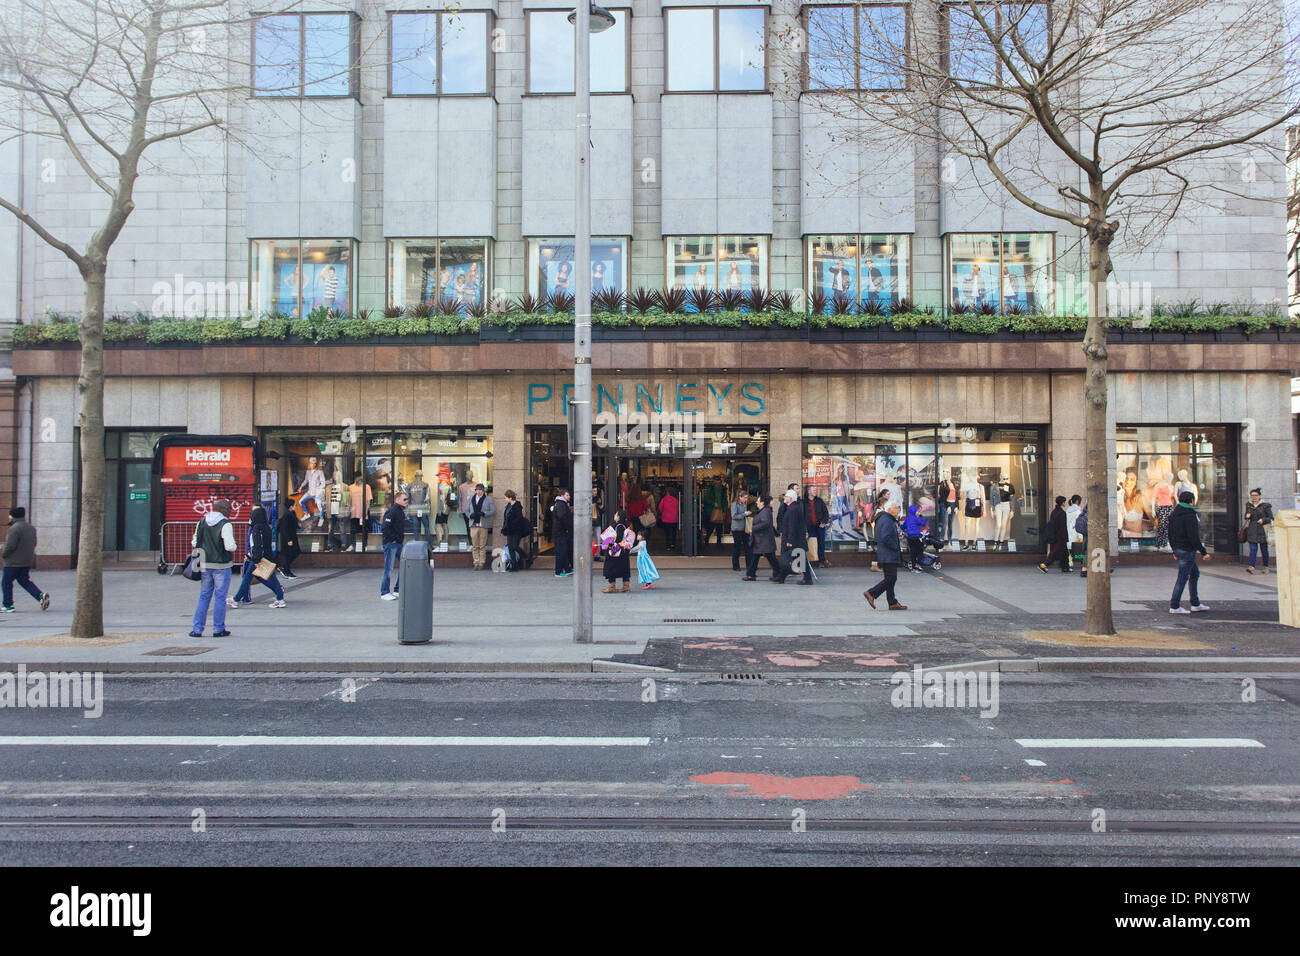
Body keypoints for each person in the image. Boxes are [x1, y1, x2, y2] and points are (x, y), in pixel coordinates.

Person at [189, 499, 236, 638]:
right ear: (221, 509)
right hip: (222, 565)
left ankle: (197, 629)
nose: (230, 511)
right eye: (228, 508)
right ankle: (218, 628)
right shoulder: (225, 524)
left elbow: (194, 541)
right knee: (220, 597)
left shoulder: (202, 521)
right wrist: (235, 546)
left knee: (204, 596)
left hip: (204, 564)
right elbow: (230, 546)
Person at [229, 506, 286, 608]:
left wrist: (254, 559)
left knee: (247, 579)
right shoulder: (266, 527)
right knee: (271, 578)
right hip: (265, 558)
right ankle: (280, 598)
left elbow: (257, 545)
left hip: (258, 559)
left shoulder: (256, 528)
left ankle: (236, 599)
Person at [1168, 490, 1211, 614]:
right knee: (1182, 578)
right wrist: (1203, 552)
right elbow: (1193, 536)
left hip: (1178, 548)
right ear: (1191, 501)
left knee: (1194, 574)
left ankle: (1195, 603)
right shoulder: (1190, 515)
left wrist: (1174, 549)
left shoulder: (1174, 514)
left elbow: (1170, 534)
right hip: (1187, 550)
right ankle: (1175, 605)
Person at [1, 507, 50, 613]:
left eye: (10, 515)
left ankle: (8, 605)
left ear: (13, 516)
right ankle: (40, 596)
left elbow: (10, 546)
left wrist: (3, 554)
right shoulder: (31, 528)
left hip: (12, 562)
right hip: (26, 561)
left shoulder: (14, 529)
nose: (9, 517)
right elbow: (34, 543)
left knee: (6, 582)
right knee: (24, 581)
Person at [864, 500, 906, 610]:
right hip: (889, 554)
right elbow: (885, 537)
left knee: (890, 578)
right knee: (891, 578)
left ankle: (892, 602)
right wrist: (895, 546)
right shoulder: (886, 520)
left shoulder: (886, 519)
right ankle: (871, 593)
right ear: (889, 509)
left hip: (886, 554)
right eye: (896, 508)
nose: (898, 510)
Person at [774, 488, 812, 585]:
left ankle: (807, 579)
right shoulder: (793, 508)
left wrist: (789, 540)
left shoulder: (792, 509)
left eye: (786, 496)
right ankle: (782, 577)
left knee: (796, 558)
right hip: (797, 539)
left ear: (790, 498)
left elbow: (792, 526)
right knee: (794, 558)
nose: (784, 498)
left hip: (795, 540)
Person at [745, 493, 781, 581]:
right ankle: (751, 574)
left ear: (763, 502)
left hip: (763, 539)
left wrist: (753, 528)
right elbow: (769, 525)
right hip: (761, 539)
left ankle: (779, 573)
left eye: (758, 501)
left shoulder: (765, 511)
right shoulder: (764, 511)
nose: (757, 503)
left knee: (770, 558)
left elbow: (765, 523)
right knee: (756, 557)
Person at [380, 491, 408, 601]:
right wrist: (392, 539)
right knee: (388, 568)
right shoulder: (393, 511)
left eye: (407, 499)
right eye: (404, 499)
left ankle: (397, 590)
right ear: (397, 500)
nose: (406, 501)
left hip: (398, 543)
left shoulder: (400, 511)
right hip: (391, 544)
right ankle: (384, 592)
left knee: (404, 565)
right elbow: (385, 527)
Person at [601, 510, 636, 593]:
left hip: (616, 550)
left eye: (616, 515)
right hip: (624, 550)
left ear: (619, 517)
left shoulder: (618, 526)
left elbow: (618, 539)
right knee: (624, 568)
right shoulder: (626, 525)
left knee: (611, 567)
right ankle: (626, 586)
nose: (614, 516)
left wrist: (609, 545)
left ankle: (611, 586)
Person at [1243, 487, 1274, 574]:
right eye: (1252, 495)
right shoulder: (1249, 505)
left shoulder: (1265, 505)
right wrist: (1247, 516)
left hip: (1262, 530)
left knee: (1264, 549)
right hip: (1252, 529)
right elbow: (1246, 516)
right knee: (1253, 549)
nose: (1254, 497)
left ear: (1259, 496)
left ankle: (1266, 566)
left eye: (1256, 495)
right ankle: (1251, 566)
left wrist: (1263, 520)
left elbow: (1271, 518)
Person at [466, 482, 496, 570]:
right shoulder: (471, 499)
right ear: (475, 491)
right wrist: (470, 515)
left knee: (482, 545)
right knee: (475, 545)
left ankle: (482, 562)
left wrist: (484, 513)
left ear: (483, 491)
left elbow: (493, 511)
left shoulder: (488, 499)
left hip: (483, 525)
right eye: (477, 490)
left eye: (480, 490)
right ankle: (476, 562)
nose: (479, 492)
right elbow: (466, 510)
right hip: (474, 525)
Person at [1038, 496, 1071, 573]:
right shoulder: (1062, 513)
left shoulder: (1054, 512)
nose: (1065, 503)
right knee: (1054, 553)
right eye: (1064, 502)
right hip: (1060, 537)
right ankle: (1044, 565)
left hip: (1054, 536)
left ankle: (1065, 567)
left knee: (1065, 553)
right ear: (1062, 503)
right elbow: (1063, 527)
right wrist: (1065, 537)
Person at [501, 490, 527, 571]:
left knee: (515, 546)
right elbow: (506, 517)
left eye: (506, 497)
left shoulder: (517, 506)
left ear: (510, 498)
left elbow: (519, 518)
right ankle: (514, 565)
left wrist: (511, 523)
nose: (505, 499)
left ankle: (525, 556)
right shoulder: (508, 506)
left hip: (516, 529)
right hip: (509, 529)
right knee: (510, 547)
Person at [805, 487, 831, 568]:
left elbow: (825, 513)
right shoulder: (804, 502)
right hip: (809, 527)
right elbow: (802, 515)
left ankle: (821, 561)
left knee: (821, 544)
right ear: (809, 491)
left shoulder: (819, 501)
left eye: (816, 490)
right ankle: (810, 561)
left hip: (819, 526)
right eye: (813, 490)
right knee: (809, 544)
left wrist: (824, 522)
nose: (815, 491)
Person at [551, 489, 573, 577]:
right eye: (567, 495)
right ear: (562, 495)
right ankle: (558, 571)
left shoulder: (560, 504)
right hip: (561, 532)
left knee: (563, 550)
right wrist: (567, 527)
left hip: (560, 531)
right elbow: (562, 517)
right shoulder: (561, 504)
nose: (569, 497)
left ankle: (566, 569)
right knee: (561, 551)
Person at [276, 499, 300, 578]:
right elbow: (284, 529)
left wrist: (298, 525)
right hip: (288, 538)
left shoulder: (292, 513)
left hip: (292, 537)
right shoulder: (286, 515)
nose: (296, 506)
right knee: (290, 554)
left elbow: (295, 524)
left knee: (295, 552)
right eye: (295, 505)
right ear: (291, 506)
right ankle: (285, 569)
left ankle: (285, 568)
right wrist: (288, 540)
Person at [902, 503, 928, 572]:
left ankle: (913, 567)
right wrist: (921, 516)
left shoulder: (907, 519)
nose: (918, 512)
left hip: (909, 538)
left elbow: (903, 527)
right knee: (920, 550)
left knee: (913, 552)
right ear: (914, 511)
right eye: (917, 511)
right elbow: (923, 524)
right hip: (916, 537)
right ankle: (918, 564)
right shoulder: (915, 519)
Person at [730, 489, 751, 572]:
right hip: (736, 529)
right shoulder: (734, 504)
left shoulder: (744, 505)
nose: (746, 499)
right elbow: (734, 516)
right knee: (737, 547)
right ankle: (736, 566)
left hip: (744, 528)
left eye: (746, 498)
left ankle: (749, 565)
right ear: (740, 497)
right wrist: (744, 514)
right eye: (745, 498)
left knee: (748, 547)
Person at [1066, 494, 1084, 569]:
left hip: (1068, 531)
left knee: (1069, 548)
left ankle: (1070, 562)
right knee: (1079, 548)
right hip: (1075, 531)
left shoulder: (1067, 510)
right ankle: (1082, 562)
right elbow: (1078, 523)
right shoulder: (1078, 511)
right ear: (1077, 501)